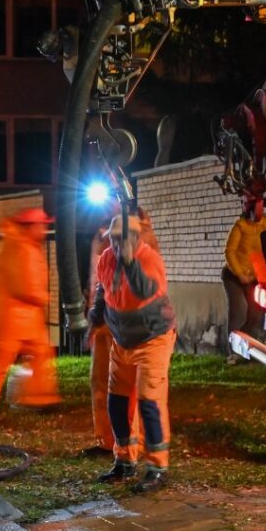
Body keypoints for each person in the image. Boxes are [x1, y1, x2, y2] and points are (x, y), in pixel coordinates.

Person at [96, 207, 176, 494]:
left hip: (152, 340)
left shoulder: (149, 259)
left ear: (134, 237)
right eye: (113, 239)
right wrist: (95, 314)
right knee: (117, 402)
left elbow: (144, 290)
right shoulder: (107, 258)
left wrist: (129, 261)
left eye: (122, 240)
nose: (116, 245)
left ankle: (157, 466)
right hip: (122, 341)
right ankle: (124, 460)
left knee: (149, 401)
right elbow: (102, 288)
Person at [0, 207, 61, 424]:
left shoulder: (22, 246)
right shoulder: (20, 249)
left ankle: (38, 398)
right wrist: (44, 297)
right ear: (31, 227)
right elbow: (24, 287)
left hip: (21, 321)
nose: (45, 229)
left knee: (40, 355)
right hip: (9, 323)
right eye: (42, 225)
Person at [86, 211, 154, 459]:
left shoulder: (140, 234)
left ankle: (133, 446)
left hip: (127, 326)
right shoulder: (103, 233)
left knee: (129, 390)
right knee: (101, 381)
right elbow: (100, 280)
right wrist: (95, 316)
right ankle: (107, 440)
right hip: (106, 320)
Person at [222, 190, 266, 363]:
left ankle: (248, 348)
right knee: (238, 312)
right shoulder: (240, 226)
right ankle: (233, 353)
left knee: (255, 315)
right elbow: (230, 252)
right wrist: (240, 273)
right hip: (234, 276)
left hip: (255, 277)